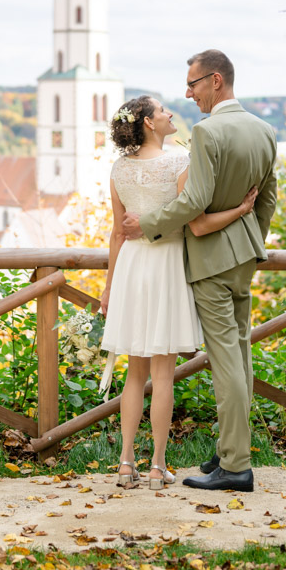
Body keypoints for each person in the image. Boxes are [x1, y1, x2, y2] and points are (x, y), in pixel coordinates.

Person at [122, 50, 278, 493]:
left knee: (226, 358)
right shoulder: (265, 130)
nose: (187, 93)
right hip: (245, 255)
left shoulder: (208, 132)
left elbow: (194, 202)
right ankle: (231, 448)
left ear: (215, 81)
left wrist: (147, 225)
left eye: (192, 84)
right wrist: (250, 241)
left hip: (210, 258)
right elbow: (266, 201)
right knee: (241, 353)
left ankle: (235, 465)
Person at [100, 95, 257, 491]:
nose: (171, 114)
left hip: (132, 269)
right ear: (149, 124)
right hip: (167, 266)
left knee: (134, 374)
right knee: (163, 375)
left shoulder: (118, 169)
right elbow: (199, 225)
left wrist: (108, 288)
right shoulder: (179, 163)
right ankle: (156, 467)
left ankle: (124, 464)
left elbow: (118, 233)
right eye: (163, 110)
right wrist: (240, 210)